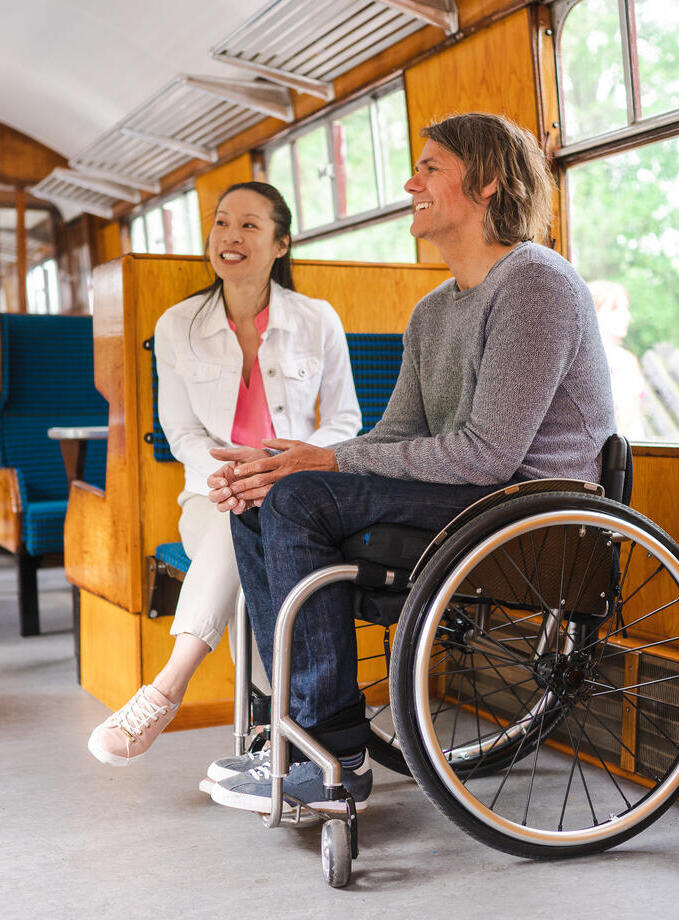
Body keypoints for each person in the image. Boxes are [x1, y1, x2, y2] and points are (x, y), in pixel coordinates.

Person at [204, 112, 616, 816]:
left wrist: (327, 462)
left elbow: (490, 453)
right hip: (470, 498)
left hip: (529, 506)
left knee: (301, 499)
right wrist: (287, 462)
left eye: (430, 168)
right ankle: (298, 729)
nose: (410, 182)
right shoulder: (431, 312)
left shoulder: (536, 284)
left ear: (486, 182)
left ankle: (331, 749)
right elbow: (396, 435)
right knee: (263, 498)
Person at [87, 181, 361, 767]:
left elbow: (345, 421)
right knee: (236, 526)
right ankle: (274, 724)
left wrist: (282, 466)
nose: (229, 237)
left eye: (249, 226)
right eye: (220, 223)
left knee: (255, 534)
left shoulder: (318, 319)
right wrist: (237, 478)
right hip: (212, 493)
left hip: (300, 493)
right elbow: (181, 432)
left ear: (281, 243)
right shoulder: (176, 325)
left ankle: (170, 687)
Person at [589, 280, 648, 439]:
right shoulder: (586, 363)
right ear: (593, 313)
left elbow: (634, 416)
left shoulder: (629, 361)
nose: (626, 316)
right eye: (615, 309)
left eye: (626, 308)